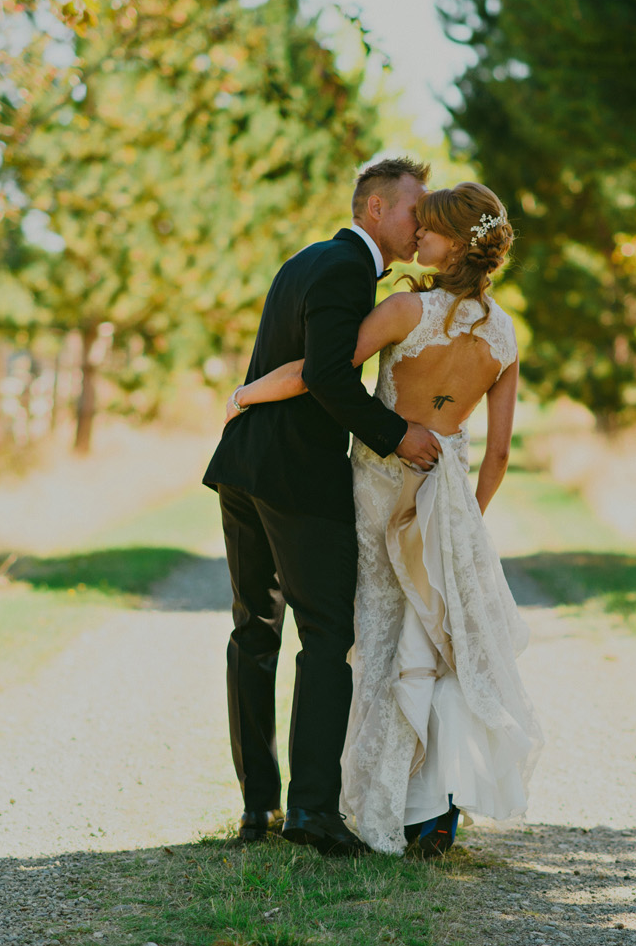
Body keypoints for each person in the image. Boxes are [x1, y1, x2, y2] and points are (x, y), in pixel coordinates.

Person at [226, 181, 542, 856]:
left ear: (453, 244)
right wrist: (465, 522)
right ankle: (432, 810)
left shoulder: (404, 309)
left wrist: (245, 392)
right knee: (434, 643)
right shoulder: (504, 332)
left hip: (378, 487)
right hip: (446, 493)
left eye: (429, 228)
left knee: (371, 641)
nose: (417, 235)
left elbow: (322, 371)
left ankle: (364, 802)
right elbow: (502, 449)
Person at [203, 157, 443, 857]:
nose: (420, 222)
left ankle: (257, 808)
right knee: (329, 633)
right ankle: (310, 809)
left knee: (254, 631)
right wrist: (398, 436)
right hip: (296, 477)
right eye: (412, 210)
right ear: (374, 209)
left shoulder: (308, 259)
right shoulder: (344, 270)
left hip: (245, 463)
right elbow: (327, 375)